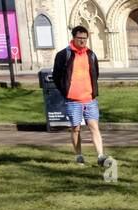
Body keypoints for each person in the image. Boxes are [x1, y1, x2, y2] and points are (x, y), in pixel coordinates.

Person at [52, 26, 110, 167]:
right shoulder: (63, 55)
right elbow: (56, 76)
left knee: (94, 126)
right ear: (73, 37)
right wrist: (66, 91)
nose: (82, 41)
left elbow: (95, 73)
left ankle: (100, 156)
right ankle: (79, 155)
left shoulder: (91, 55)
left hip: (90, 99)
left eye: (85, 38)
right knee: (76, 128)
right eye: (80, 38)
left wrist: (92, 91)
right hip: (73, 100)